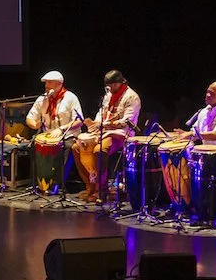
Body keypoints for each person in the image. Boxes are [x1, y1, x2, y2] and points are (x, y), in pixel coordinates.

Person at [72, 69, 141, 201]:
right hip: (103, 130)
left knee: (99, 150)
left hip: (121, 133)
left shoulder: (132, 97)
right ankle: (90, 186)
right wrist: (95, 123)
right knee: (76, 147)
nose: (110, 88)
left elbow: (127, 122)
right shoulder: (109, 94)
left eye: (113, 85)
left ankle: (102, 190)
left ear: (121, 82)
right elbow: (101, 112)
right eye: (108, 85)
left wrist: (104, 125)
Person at [172, 81, 216, 153]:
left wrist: (192, 134)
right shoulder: (204, 111)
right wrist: (184, 134)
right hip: (207, 153)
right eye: (207, 92)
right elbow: (196, 131)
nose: (208, 95)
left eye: (212, 93)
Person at [25, 70, 83, 137]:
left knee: (68, 145)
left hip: (68, 136)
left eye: (49, 82)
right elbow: (29, 118)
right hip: (48, 136)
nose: (46, 85)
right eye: (45, 83)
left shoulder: (71, 98)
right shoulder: (42, 99)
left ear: (59, 84)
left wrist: (61, 129)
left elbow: (79, 121)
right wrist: (35, 125)